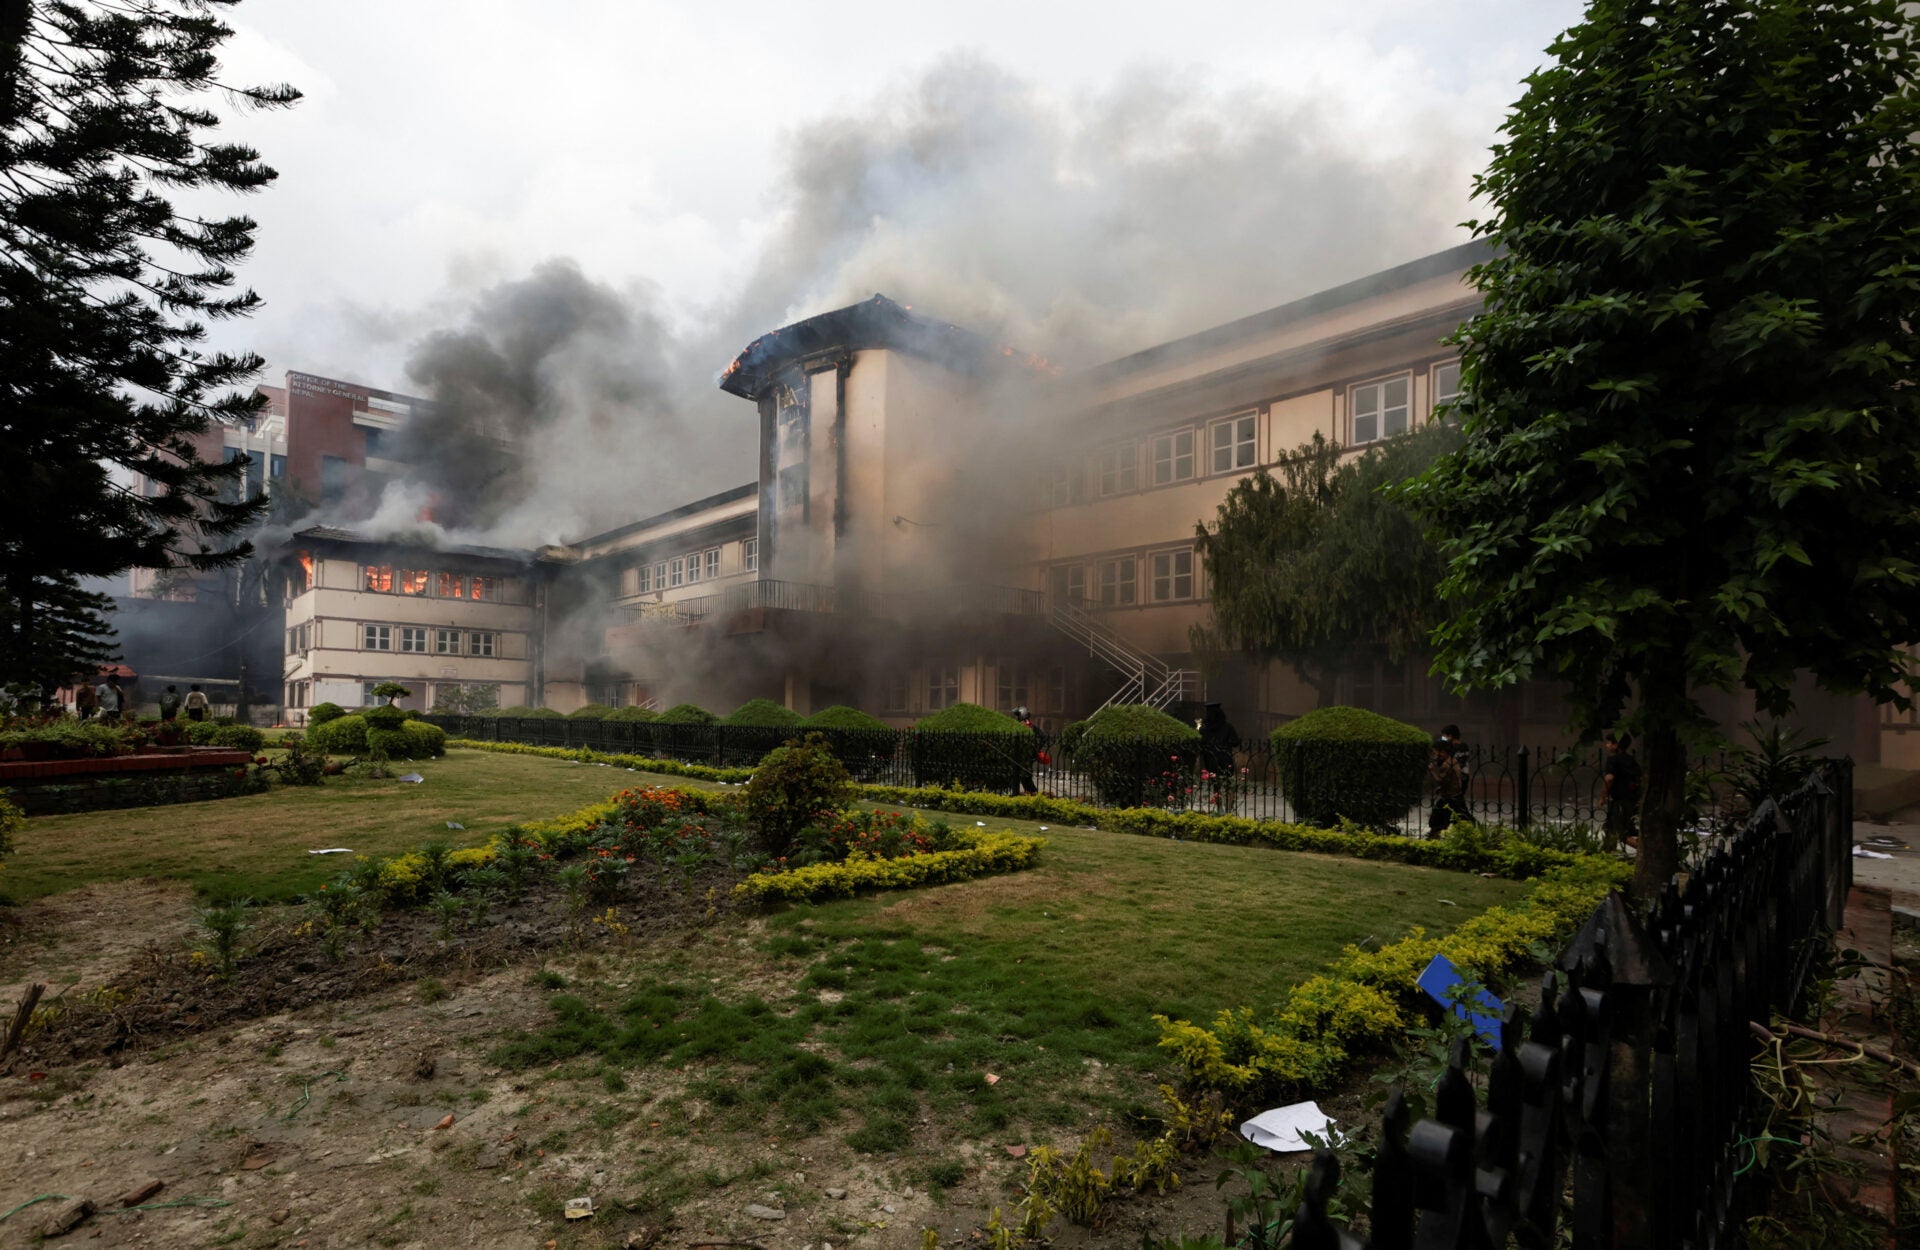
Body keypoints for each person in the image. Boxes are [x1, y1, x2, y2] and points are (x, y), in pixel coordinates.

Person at [1602, 731, 1641, 850]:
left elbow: (1609, 779)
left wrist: (1603, 796)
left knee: (1621, 833)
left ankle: (1644, 851)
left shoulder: (1613, 760)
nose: (1607, 745)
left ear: (1616, 745)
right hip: (1632, 800)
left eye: (1609, 742)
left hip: (1620, 800)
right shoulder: (1631, 760)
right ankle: (1607, 854)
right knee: (1610, 828)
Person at [1429, 739, 1470, 836]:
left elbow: (1441, 780)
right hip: (1455, 795)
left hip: (1449, 797)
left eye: (1435, 753)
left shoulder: (1447, 765)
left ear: (1442, 752)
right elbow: (1451, 780)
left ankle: (1436, 836)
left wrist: (1432, 771)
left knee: (1437, 821)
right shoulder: (1453, 760)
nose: (1434, 756)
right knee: (1461, 818)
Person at [1198, 702, 1242, 775]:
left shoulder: (1204, 729)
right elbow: (1235, 742)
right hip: (1224, 759)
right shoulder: (1227, 727)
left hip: (1209, 760)